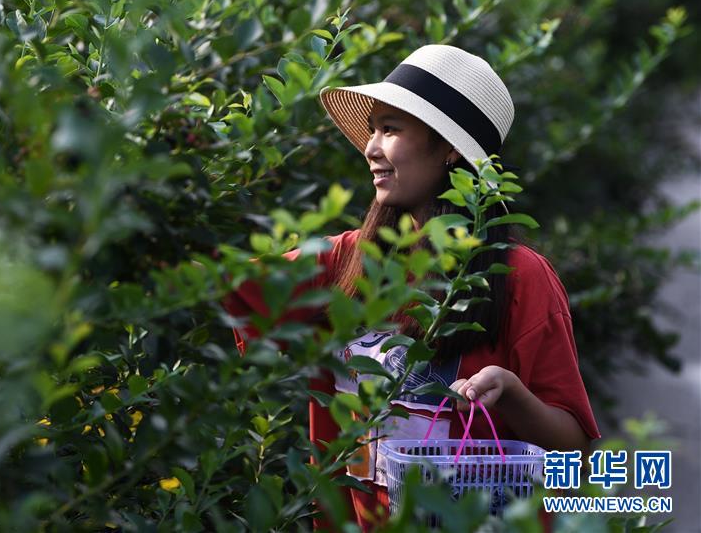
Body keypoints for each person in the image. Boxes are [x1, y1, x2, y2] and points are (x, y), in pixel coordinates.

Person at [220, 44, 600, 530]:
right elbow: (221, 287)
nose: (371, 148)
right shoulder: (345, 259)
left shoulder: (520, 277)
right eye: (373, 129)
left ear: (449, 148)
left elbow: (575, 450)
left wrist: (510, 392)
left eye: (391, 129)